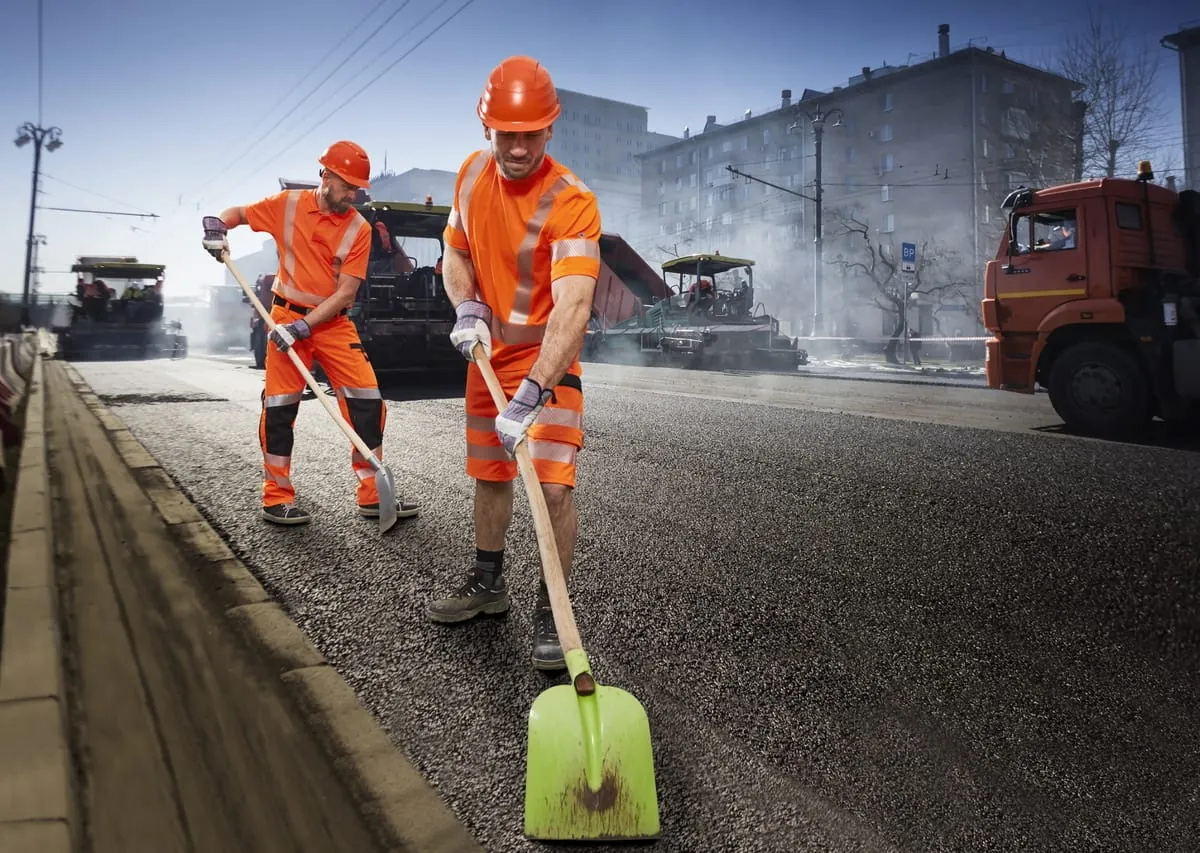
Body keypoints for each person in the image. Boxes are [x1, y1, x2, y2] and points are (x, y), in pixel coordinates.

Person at [425, 56, 602, 672]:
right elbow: (455, 253)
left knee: (552, 487)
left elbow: (574, 306)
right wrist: (467, 303)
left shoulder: (573, 203)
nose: (519, 147)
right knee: (491, 475)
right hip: (485, 356)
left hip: (546, 365)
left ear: (550, 130)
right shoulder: (471, 175)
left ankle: (553, 611)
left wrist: (533, 391)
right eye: (508, 134)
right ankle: (487, 581)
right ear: (487, 130)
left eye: (531, 134)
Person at [200, 140, 421, 527]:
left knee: (368, 401)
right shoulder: (286, 206)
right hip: (285, 317)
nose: (352, 195)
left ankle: (372, 494)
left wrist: (305, 327)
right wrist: (216, 228)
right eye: (347, 186)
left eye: (357, 189)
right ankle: (277, 497)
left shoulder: (359, 228)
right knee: (280, 409)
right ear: (326, 175)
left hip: (331, 324)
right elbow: (234, 214)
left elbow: (346, 293)